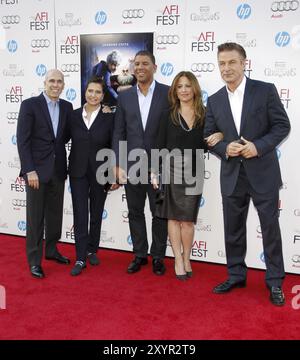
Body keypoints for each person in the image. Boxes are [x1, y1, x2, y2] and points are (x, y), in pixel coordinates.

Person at [204, 42, 291, 306]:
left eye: (232, 62)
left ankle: (275, 282)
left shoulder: (264, 91)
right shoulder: (215, 99)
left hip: (262, 172)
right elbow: (207, 135)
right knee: (233, 229)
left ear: (244, 63)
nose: (226, 68)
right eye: (222, 63)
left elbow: (281, 126)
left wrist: (258, 146)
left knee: (270, 229)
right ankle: (236, 274)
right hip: (232, 175)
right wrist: (224, 147)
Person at [153, 71, 223, 280]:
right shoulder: (168, 114)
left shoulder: (205, 113)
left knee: (188, 221)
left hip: (195, 170)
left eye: (187, 86)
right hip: (171, 169)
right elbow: (159, 144)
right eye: (179, 86)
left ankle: (187, 257)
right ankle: (177, 259)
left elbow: (214, 138)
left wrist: (220, 134)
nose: (183, 90)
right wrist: (154, 172)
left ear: (194, 89)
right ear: (175, 90)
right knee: (174, 219)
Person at [112, 50, 169, 276]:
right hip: (131, 166)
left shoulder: (168, 93)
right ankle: (139, 254)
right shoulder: (124, 96)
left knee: (159, 213)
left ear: (155, 67)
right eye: (137, 64)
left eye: (145, 63)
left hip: (159, 166)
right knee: (135, 211)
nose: (141, 67)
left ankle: (158, 256)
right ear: (133, 68)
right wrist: (117, 163)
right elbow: (119, 132)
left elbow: (172, 130)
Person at [17, 69, 73, 279]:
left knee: (55, 215)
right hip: (36, 173)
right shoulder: (30, 105)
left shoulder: (67, 107)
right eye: (52, 81)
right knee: (35, 218)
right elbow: (23, 140)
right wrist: (29, 169)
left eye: (59, 81)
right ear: (45, 82)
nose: (55, 85)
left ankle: (51, 251)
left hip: (58, 170)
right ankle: (34, 260)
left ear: (63, 85)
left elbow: (68, 134)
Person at [67, 77, 116, 276]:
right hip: (77, 171)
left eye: (97, 92)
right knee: (80, 213)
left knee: (96, 212)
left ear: (103, 96)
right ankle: (80, 257)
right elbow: (61, 138)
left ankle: (92, 249)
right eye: (90, 91)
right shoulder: (73, 115)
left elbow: (114, 145)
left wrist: (113, 174)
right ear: (85, 92)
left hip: (101, 171)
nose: (93, 95)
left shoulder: (109, 117)